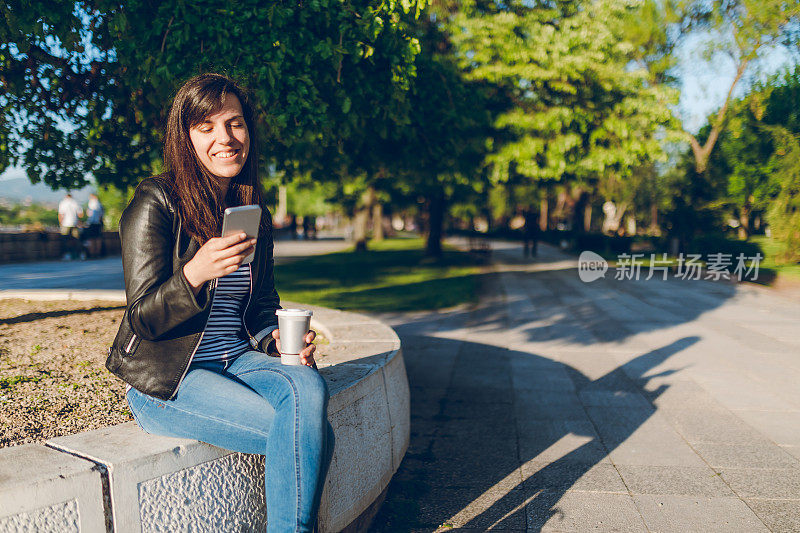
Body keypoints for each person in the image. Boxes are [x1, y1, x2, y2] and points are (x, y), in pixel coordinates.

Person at [104, 73, 335, 533]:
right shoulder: (156, 201)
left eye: (234, 124)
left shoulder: (253, 213)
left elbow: (261, 305)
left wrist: (278, 340)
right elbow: (142, 319)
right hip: (169, 380)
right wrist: (194, 273)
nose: (224, 139)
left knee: (307, 387)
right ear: (184, 138)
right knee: (311, 434)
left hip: (236, 361)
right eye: (205, 127)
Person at [58, 192, 83, 260]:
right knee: (76, 239)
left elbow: (61, 214)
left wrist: (61, 223)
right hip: (75, 223)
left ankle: (67, 254)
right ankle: (78, 254)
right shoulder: (76, 202)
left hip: (65, 223)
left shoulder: (63, 203)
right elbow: (80, 214)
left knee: (65, 239)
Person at [84, 193, 105, 257]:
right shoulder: (99, 204)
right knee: (98, 238)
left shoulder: (91, 203)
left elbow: (89, 214)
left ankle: (92, 253)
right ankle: (98, 253)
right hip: (98, 223)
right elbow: (101, 215)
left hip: (92, 223)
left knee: (92, 239)